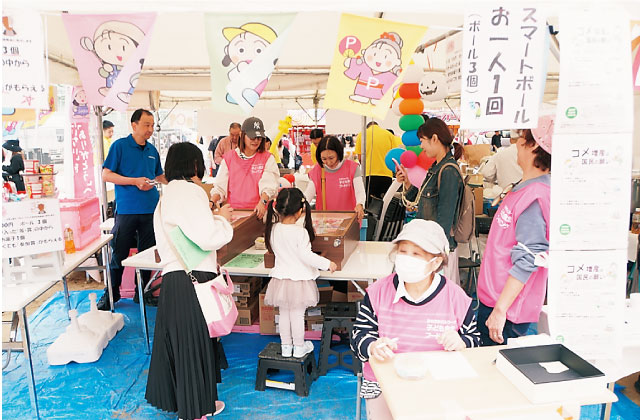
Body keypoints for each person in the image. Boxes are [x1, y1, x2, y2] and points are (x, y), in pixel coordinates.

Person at [350, 220, 480, 420]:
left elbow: (474, 340)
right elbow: (358, 337)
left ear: (435, 262)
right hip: (383, 383)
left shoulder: (456, 297)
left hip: (440, 383)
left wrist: (461, 342)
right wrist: (372, 346)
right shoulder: (378, 292)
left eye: (416, 254)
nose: (407, 259)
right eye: (403, 251)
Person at [145, 142, 233, 420]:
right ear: (195, 165)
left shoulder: (167, 195)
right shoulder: (189, 190)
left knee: (185, 346)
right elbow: (207, 237)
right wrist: (223, 220)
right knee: (194, 348)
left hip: (175, 280)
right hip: (192, 280)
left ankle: (199, 405)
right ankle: (195, 412)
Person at [476, 116, 553, 346]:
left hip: (506, 310)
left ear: (534, 146)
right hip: (495, 299)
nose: (517, 143)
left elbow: (530, 256)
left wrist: (500, 310)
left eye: (522, 138)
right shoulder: (524, 187)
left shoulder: (536, 196)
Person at [99, 109, 167, 310]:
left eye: (152, 125)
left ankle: (142, 293)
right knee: (119, 254)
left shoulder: (152, 150)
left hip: (150, 210)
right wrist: (134, 181)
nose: (150, 129)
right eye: (146, 125)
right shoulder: (120, 146)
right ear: (134, 125)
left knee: (148, 255)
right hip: (127, 210)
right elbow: (106, 175)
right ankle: (112, 294)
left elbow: (159, 176)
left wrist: (179, 181)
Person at [264, 188, 337, 358]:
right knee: (297, 315)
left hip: (281, 280)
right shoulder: (300, 232)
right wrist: (327, 264)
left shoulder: (273, 229)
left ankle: (286, 347)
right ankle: (298, 347)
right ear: (300, 210)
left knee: (284, 314)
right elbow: (306, 256)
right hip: (298, 281)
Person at [395, 117, 464, 286]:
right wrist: (407, 183)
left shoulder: (448, 171)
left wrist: (435, 254)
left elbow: (445, 218)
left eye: (422, 141)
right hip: (429, 246)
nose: (421, 146)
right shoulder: (436, 168)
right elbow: (422, 200)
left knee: (439, 294)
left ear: (434, 138)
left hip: (437, 250)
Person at [210, 117, 279, 219]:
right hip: (233, 214)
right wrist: (212, 201)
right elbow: (220, 187)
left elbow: (269, 185)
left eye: (259, 138)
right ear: (242, 135)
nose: (256, 141)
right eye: (252, 137)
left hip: (258, 214)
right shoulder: (229, 158)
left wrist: (262, 202)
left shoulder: (267, 158)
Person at [305, 135, 365, 221]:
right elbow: (308, 194)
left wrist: (360, 204)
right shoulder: (317, 170)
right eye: (324, 159)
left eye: (331, 158)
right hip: (325, 221)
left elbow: (360, 191)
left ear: (338, 153)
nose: (328, 162)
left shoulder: (352, 167)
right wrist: (301, 205)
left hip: (349, 220)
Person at [355, 121, 402, 204]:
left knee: (369, 204)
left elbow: (360, 158)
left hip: (369, 175)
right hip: (386, 175)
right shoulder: (389, 135)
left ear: (367, 127)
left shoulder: (362, 134)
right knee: (384, 203)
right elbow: (394, 156)